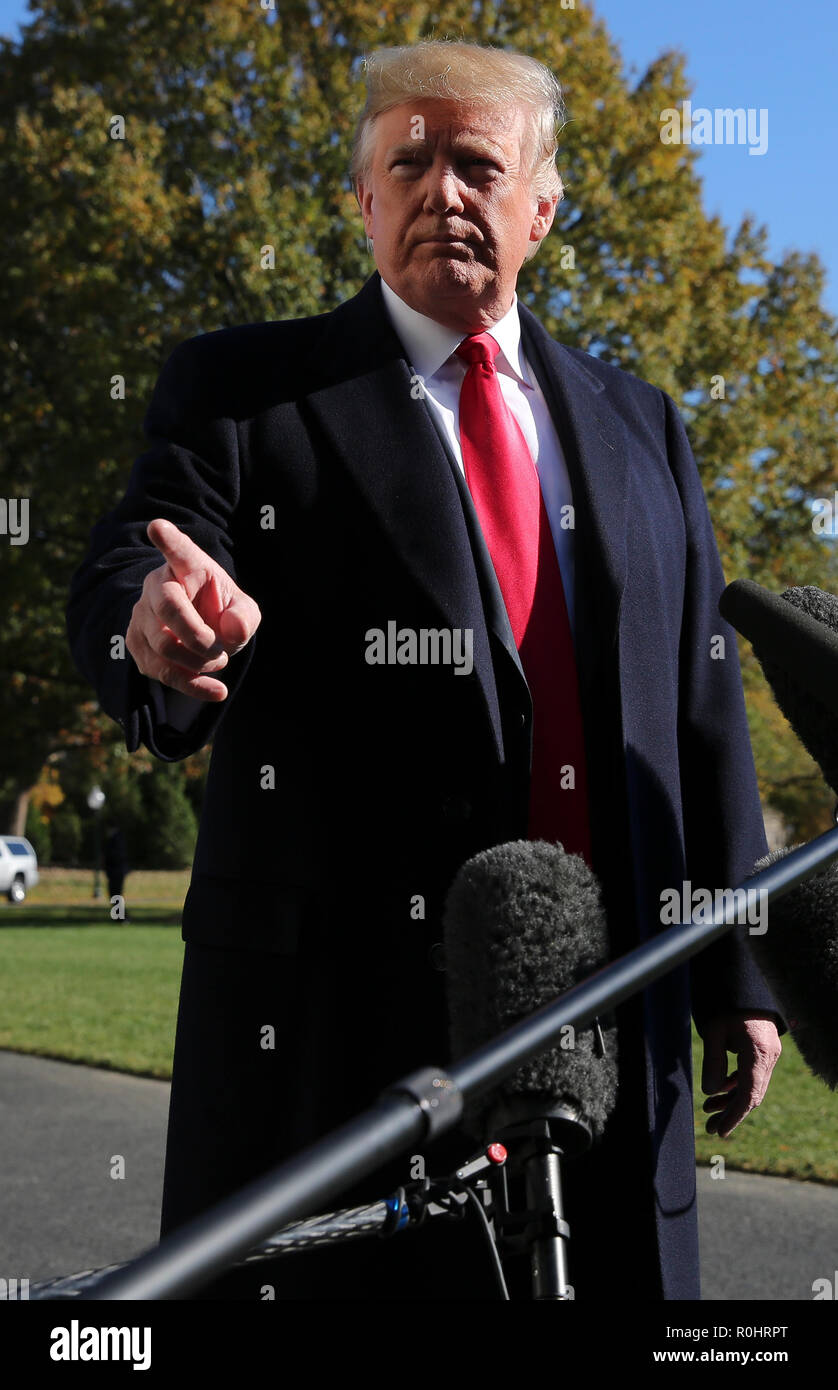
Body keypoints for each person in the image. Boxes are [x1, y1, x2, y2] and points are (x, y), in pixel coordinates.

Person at [66, 39, 783, 1300]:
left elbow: (701, 706)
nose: (439, 190)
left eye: (475, 163)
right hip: (343, 1042)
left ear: (542, 208)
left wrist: (735, 963)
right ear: (362, 200)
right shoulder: (246, 392)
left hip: (613, 1010)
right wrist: (154, 623)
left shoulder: (643, 424)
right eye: (407, 162)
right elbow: (141, 554)